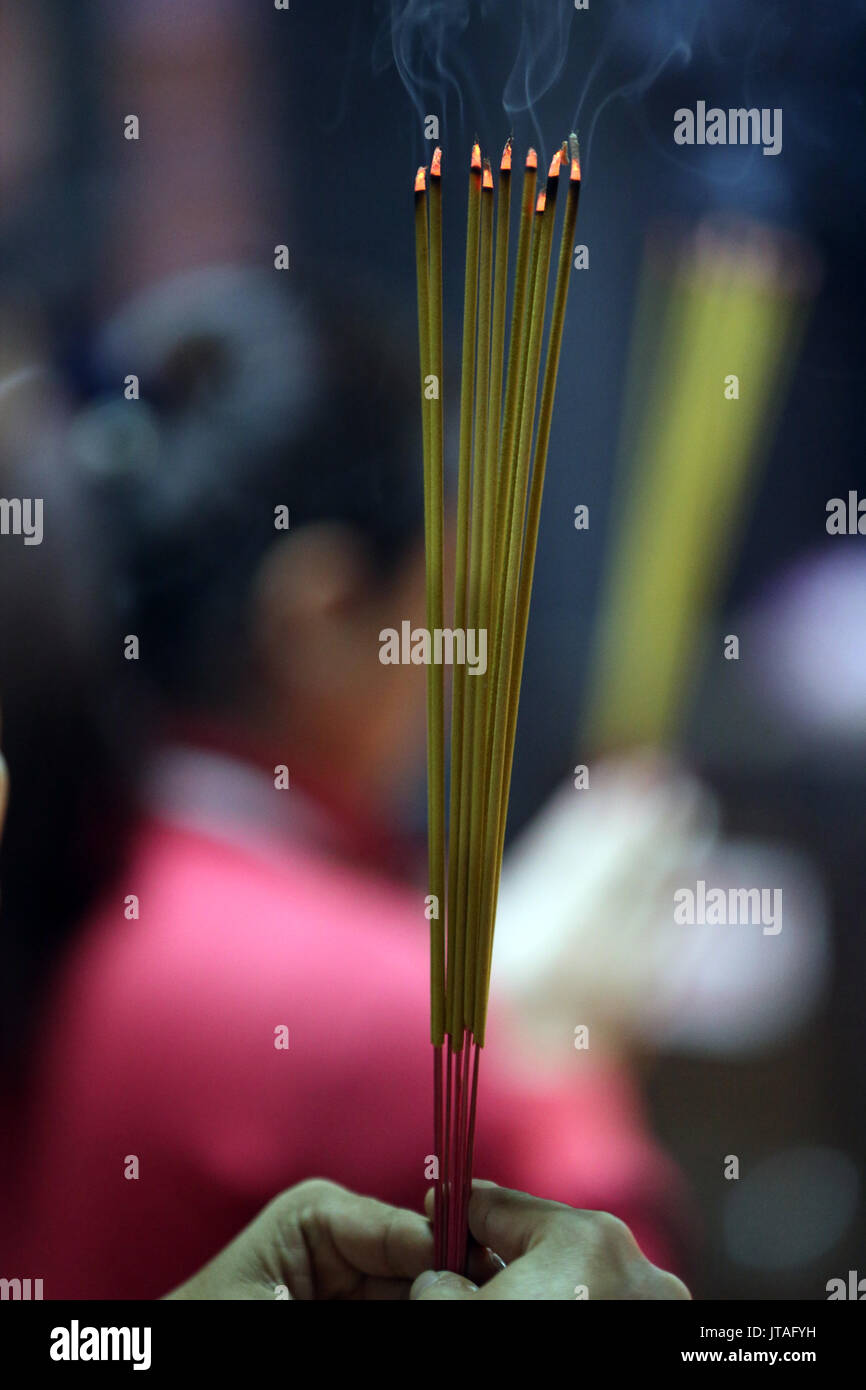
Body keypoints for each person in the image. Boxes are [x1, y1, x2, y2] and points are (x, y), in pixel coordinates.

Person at [0, 271, 686, 1298]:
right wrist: (553, 1063)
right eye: (441, 606)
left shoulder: (63, 863)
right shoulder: (380, 1014)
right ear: (317, 616)